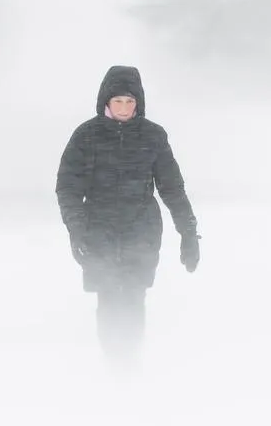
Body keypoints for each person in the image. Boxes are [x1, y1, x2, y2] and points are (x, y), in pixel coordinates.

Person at [55, 65, 201, 364]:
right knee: (108, 297)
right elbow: (68, 188)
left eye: (130, 101)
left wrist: (188, 232)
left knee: (134, 297)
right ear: (105, 102)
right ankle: (114, 363)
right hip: (98, 229)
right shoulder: (86, 136)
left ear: (139, 103)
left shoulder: (153, 136)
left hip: (141, 229)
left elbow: (172, 188)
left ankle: (130, 363)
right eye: (118, 101)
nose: (124, 108)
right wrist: (77, 229)